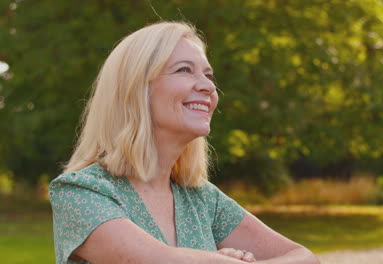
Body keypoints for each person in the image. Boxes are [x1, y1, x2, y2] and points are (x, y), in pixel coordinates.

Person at [49, 21, 320, 264]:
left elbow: (304, 258)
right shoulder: (80, 193)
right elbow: (157, 260)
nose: (208, 87)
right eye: (184, 70)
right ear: (135, 89)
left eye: (208, 75)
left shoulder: (203, 198)